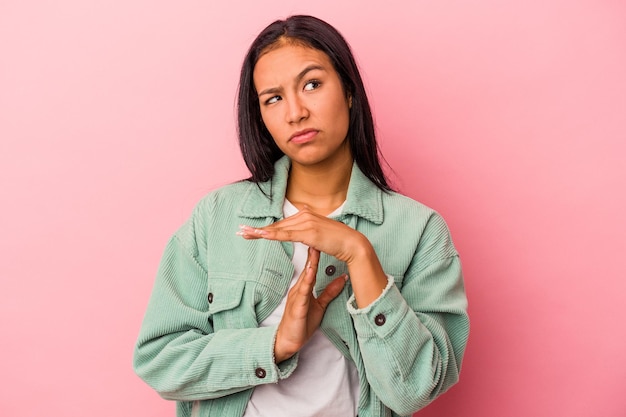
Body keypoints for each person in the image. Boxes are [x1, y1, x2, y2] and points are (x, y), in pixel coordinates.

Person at [133, 15, 469, 417]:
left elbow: (415, 389)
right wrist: (276, 345)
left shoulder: (419, 230)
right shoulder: (218, 216)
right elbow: (159, 361)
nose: (295, 112)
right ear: (260, 116)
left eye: (312, 84)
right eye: (273, 98)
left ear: (348, 90)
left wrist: (359, 253)